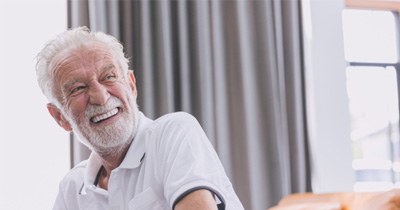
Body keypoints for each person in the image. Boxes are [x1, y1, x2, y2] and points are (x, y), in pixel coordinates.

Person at [35, 27, 244, 210]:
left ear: (131, 85)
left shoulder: (173, 133)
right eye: (78, 88)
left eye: (109, 77)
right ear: (60, 117)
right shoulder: (72, 188)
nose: (100, 97)